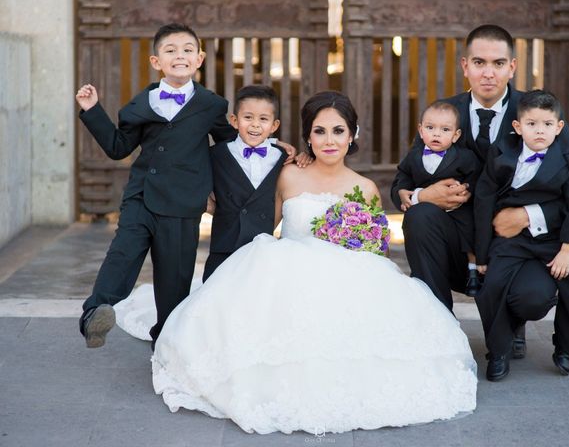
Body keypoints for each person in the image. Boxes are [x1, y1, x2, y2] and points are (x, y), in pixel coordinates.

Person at [137, 91, 477, 434]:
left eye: (338, 131)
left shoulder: (367, 188)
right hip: (287, 279)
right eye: (319, 131)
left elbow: (378, 251)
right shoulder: (287, 174)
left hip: (350, 284)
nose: (329, 140)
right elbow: (260, 224)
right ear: (307, 137)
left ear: (352, 134)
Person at [74, 24, 297, 349]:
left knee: (174, 279)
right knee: (122, 254)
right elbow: (118, 147)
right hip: (141, 196)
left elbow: (232, 144)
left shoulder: (212, 105)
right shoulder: (141, 103)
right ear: (156, 61)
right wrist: (93, 110)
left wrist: (274, 145)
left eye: (187, 50)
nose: (180, 55)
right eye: (170, 50)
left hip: (182, 206)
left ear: (199, 58)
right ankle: (95, 312)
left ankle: (166, 340)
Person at [402, 24, 569, 359]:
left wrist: (527, 216)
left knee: (533, 296)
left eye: (498, 63)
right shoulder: (443, 113)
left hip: (520, 246)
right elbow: (405, 178)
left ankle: (513, 322)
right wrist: (422, 195)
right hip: (461, 243)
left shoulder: (539, 114)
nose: (488, 73)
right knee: (420, 216)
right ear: (465, 66)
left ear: (512, 66)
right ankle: (439, 331)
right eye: (479, 63)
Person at [474, 90, 569, 381]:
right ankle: (498, 351)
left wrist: (567, 250)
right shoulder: (502, 153)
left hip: (553, 239)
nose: (539, 130)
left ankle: (566, 348)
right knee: (491, 287)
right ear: (518, 127)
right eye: (531, 124)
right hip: (511, 239)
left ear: (559, 127)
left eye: (546, 124)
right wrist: (480, 253)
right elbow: (483, 200)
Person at [391, 101, 482, 298]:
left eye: (445, 129)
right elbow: (403, 176)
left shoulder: (464, 157)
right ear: (420, 130)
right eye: (430, 128)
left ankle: (473, 270)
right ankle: (428, 294)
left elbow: (476, 177)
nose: (437, 134)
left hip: (458, 210)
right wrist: (402, 192)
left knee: (469, 230)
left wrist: (467, 189)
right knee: (419, 219)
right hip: (426, 218)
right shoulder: (414, 157)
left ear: (456, 135)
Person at [202, 84, 287, 281]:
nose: (255, 125)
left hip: (262, 250)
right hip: (224, 247)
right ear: (234, 120)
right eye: (248, 117)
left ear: (274, 126)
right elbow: (196, 184)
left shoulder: (283, 158)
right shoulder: (216, 155)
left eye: (263, 119)